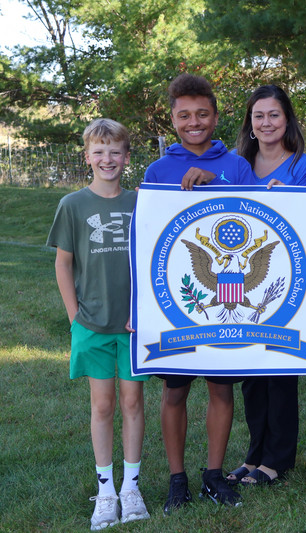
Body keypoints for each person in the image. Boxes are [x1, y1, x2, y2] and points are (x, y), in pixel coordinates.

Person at [144, 73, 252, 512]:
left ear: (216, 115)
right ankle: (177, 480)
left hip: (226, 299)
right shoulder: (157, 170)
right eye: (184, 115)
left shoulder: (236, 165)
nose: (194, 122)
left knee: (221, 389)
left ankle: (213, 474)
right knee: (174, 392)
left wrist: (216, 182)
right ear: (172, 118)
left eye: (202, 114)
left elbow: (256, 222)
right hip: (177, 301)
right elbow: (148, 241)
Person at [47, 118, 150, 530]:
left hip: (132, 326)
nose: (107, 159)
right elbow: (63, 263)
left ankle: (132, 486)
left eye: (115, 151)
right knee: (103, 404)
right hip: (92, 323)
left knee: (133, 402)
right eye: (99, 151)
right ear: (87, 156)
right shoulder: (73, 205)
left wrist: (144, 311)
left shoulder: (140, 203)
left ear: (126, 156)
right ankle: (106, 490)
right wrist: (75, 318)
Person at [224, 85, 305, 488]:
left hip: (286, 281)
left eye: (274, 114)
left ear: (287, 119)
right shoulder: (239, 166)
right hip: (245, 283)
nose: (267, 122)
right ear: (250, 123)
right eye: (259, 116)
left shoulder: (304, 166)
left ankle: (278, 458)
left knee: (280, 371)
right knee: (251, 372)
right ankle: (254, 453)